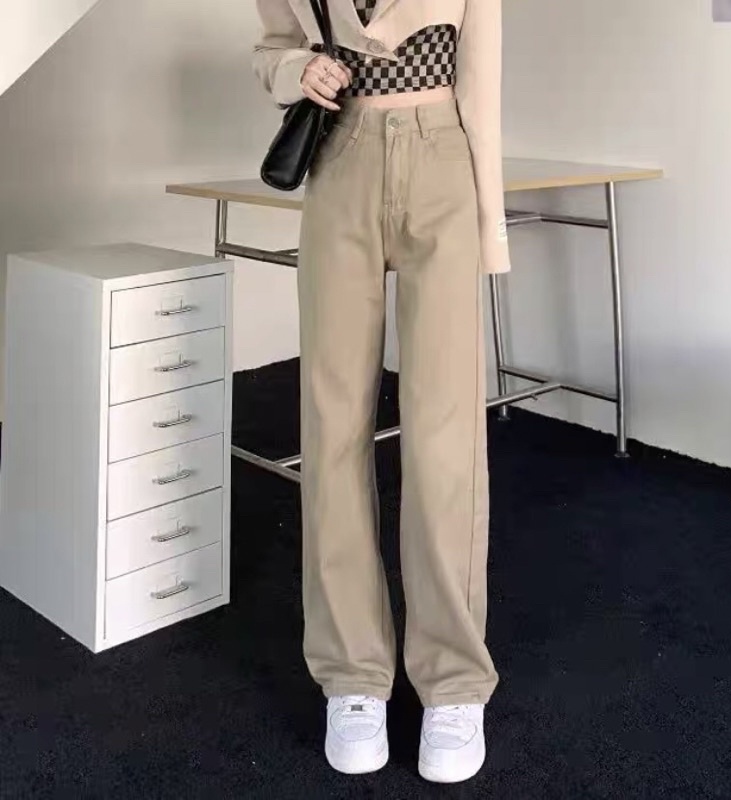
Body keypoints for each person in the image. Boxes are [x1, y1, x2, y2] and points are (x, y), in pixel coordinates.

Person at [252, 0, 510, 784]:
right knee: (332, 422)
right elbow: (271, 47)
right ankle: (352, 673)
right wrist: (297, 69)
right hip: (342, 159)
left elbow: (482, 81)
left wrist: (491, 224)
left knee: (445, 431)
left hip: (441, 155)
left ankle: (453, 680)